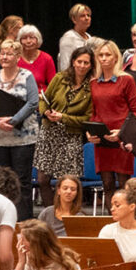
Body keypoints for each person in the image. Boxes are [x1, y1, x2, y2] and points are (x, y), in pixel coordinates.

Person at [0, 36, 42, 220]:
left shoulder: (27, 76)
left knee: (21, 181)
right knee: (1, 181)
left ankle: (24, 222)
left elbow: (33, 102)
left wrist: (14, 120)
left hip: (23, 139)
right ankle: (4, 220)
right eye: (2, 53)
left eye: (9, 54)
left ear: (18, 57)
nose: (4, 57)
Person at [36, 44, 96, 208]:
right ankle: (52, 213)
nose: (82, 66)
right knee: (42, 179)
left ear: (91, 65)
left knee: (69, 183)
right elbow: (44, 99)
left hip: (71, 135)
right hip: (49, 132)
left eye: (86, 63)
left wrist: (63, 117)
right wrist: (46, 112)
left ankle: (69, 215)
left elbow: (87, 118)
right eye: (79, 62)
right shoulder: (60, 78)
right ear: (73, 62)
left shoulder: (92, 87)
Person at [86, 39, 136, 196]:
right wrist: (89, 133)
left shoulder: (126, 80)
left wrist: (122, 132)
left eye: (108, 55)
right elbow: (93, 112)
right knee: (107, 183)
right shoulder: (93, 82)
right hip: (102, 137)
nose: (104, 58)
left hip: (121, 137)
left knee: (124, 183)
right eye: (101, 55)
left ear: (116, 58)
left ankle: (127, 212)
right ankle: (111, 212)